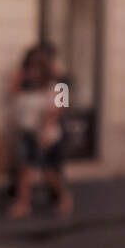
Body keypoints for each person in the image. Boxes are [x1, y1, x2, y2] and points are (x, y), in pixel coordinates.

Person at [8, 49, 73, 218]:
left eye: (36, 68)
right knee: (25, 170)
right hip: (27, 133)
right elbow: (13, 97)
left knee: (49, 173)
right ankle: (23, 204)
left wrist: (45, 132)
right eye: (30, 68)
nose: (32, 72)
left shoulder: (56, 86)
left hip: (47, 136)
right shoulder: (27, 86)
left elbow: (59, 110)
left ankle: (65, 199)